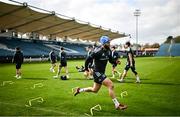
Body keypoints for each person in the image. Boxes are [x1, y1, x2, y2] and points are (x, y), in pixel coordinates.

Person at [73, 36, 127, 110]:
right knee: (111, 85)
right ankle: (117, 105)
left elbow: (111, 60)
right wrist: (86, 70)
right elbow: (87, 60)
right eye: (108, 42)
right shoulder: (97, 51)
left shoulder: (109, 51)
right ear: (104, 43)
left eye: (109, 42)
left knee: (94, 90)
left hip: (102, 72)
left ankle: (79, 90)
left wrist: (116, 61)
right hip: (97, 73)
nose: (109, 44)